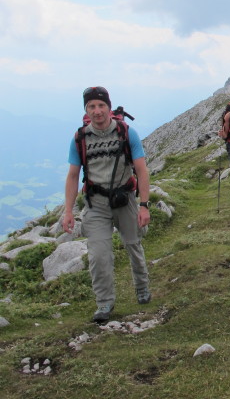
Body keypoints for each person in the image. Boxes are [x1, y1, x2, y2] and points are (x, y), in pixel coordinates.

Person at [62, 86, 152, 323]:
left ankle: (142, 288)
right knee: (99, 255)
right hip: (96, 202)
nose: (97, 110)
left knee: (133, 245)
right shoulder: (80, 138)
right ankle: (104, 304)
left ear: (109, 108)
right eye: (91, 106)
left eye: (101, 105)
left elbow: (141, 170)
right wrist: (68, 211)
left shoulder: (126, 133)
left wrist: (144, 205)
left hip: (125, 199)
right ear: (86, 110)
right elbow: (73, 176)